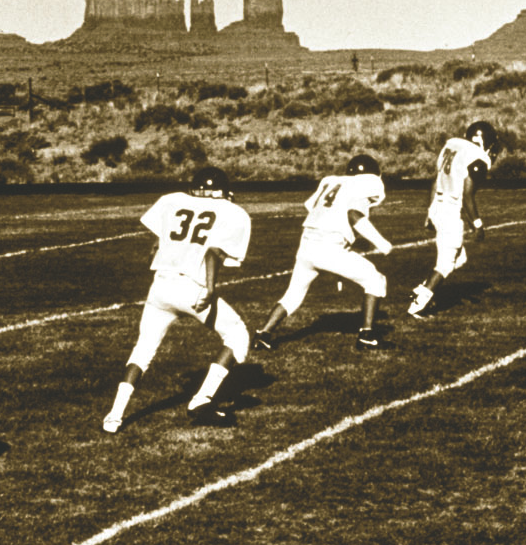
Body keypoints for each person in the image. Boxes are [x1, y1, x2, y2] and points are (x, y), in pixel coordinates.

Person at [102, 165, 254, 433]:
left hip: (160, 285)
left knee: (143, 349)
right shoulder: (231, 211)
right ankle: (202, 399)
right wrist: (209, 289)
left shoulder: (172, 201)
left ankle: (114, 416)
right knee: (238, 335)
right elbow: (213, 253)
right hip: (191, 287)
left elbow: (155, 247)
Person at [252, 153, 393, 352]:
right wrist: (382, 242)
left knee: (293, 295)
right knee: (375, 280)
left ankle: (262, 335)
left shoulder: (332, 181)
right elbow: (354, 214)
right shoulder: (365, 184)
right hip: (329, 245)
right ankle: (367, 335)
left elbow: (310, 206)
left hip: (307, 243)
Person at [406, 120, 498, 318]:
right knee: (445, 264)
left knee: (460, 257)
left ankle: (423, 288)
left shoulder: (452, 146)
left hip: (439, 205)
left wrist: (430, 212)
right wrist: (478, 225)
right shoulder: (476, 159)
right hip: (449, 211)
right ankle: (418, 305)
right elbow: (467, 196)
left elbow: (435, 181)